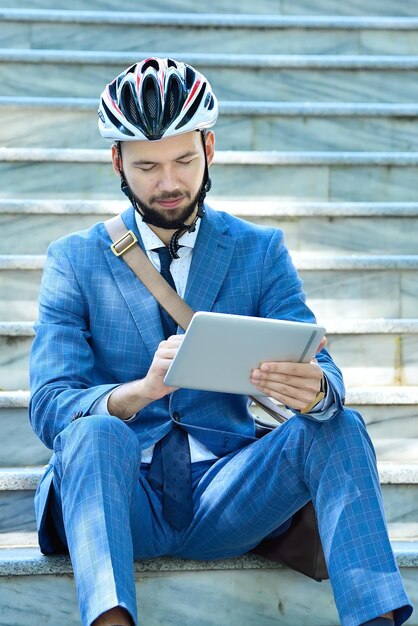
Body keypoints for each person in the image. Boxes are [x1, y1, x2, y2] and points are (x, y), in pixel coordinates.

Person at [29, 57, 413, 626]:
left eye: (184, 159)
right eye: (147, 166)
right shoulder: (74, 260)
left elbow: (325, 374)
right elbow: (49, 404)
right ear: (117, 162)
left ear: (209, 148)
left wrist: (315, 392)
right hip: (118, 496)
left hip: (229, 494)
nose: (167, 183)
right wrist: (137, 393)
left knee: (340, 425)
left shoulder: (260, 251)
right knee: (94, 432)